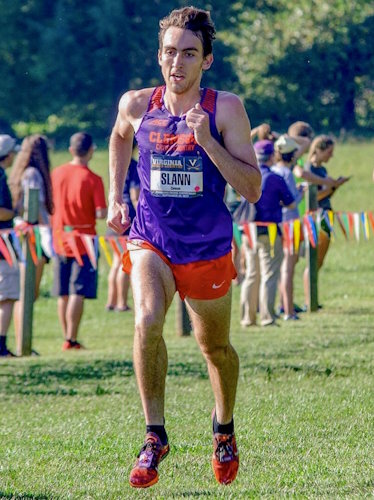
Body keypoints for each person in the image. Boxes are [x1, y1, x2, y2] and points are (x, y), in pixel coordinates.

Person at [107, 6, 261, 488]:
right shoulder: (136, 103)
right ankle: (155, 435)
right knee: (146, 320)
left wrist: (208, 142)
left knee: (213, 346)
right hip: (151, 236)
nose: (178, 63)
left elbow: (252, 188)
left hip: (207, 245)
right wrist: (116, 193)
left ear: (206, 61)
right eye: (170, 52)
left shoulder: (225, 109)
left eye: (189, 54)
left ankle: (224, 428)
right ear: (159, 56)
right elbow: (118, 136)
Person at [51, 132, 107, 350]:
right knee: (78, 291)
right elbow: (101, 213)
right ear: (91, 150)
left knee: (63, 291)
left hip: (59, 239)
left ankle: (66, 335)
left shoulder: (56, 174)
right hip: (84, 242)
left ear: (70, 150)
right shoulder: (93, 179)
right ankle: (71, 339)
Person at [240, 140, 295, 327]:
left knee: (251, 275)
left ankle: (247, 317)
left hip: (248, 231)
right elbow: (291, 203)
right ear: (272, 156)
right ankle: (267, 317)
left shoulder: (247, 176)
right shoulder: (275, 178)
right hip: (269, 231)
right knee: (269, 274)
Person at [9, 134, 54, 349]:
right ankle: (22, 343)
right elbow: (38, 206)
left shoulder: (19, 172)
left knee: (25, 294)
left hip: (22, 233)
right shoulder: (34, 174)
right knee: (28, 293)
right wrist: (48, 232)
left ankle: (21, 342)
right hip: (34, 235)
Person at [303, 135, 349, 307]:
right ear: (319, 150)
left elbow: (326, 194)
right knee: (313, 260)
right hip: (317, 216)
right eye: (329, 152)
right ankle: (310, 301)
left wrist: (335, 186)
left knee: (320, 261)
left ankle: (312, 299)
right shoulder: (310, 169)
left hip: (326, 214)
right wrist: (332, 186)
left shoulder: (321, 170)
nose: (331, 156)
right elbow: (312, 197)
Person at [272, 135, 305, 320]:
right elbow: (292, 202)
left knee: (281, 266)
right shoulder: (287, 174)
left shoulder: (273, 170)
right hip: (291, 224)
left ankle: (281, 304)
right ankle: (288, 310)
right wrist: (301, 192)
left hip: (277, 223)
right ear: (292, 156)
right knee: (289, 267)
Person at [105, 148, 140, 312]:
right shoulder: (133, 166)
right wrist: (140, 217)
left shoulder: (116, 166)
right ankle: (121, 303)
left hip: (114, 217)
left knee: (115, 263)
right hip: (128, 219)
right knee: (124, 263)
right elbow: (135, 195)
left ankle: (110, 302)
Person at [0, 134, 20, 357]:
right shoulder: (0, 175)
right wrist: (15, 212)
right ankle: (1, 344)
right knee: (6, 295)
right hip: (2, 245)